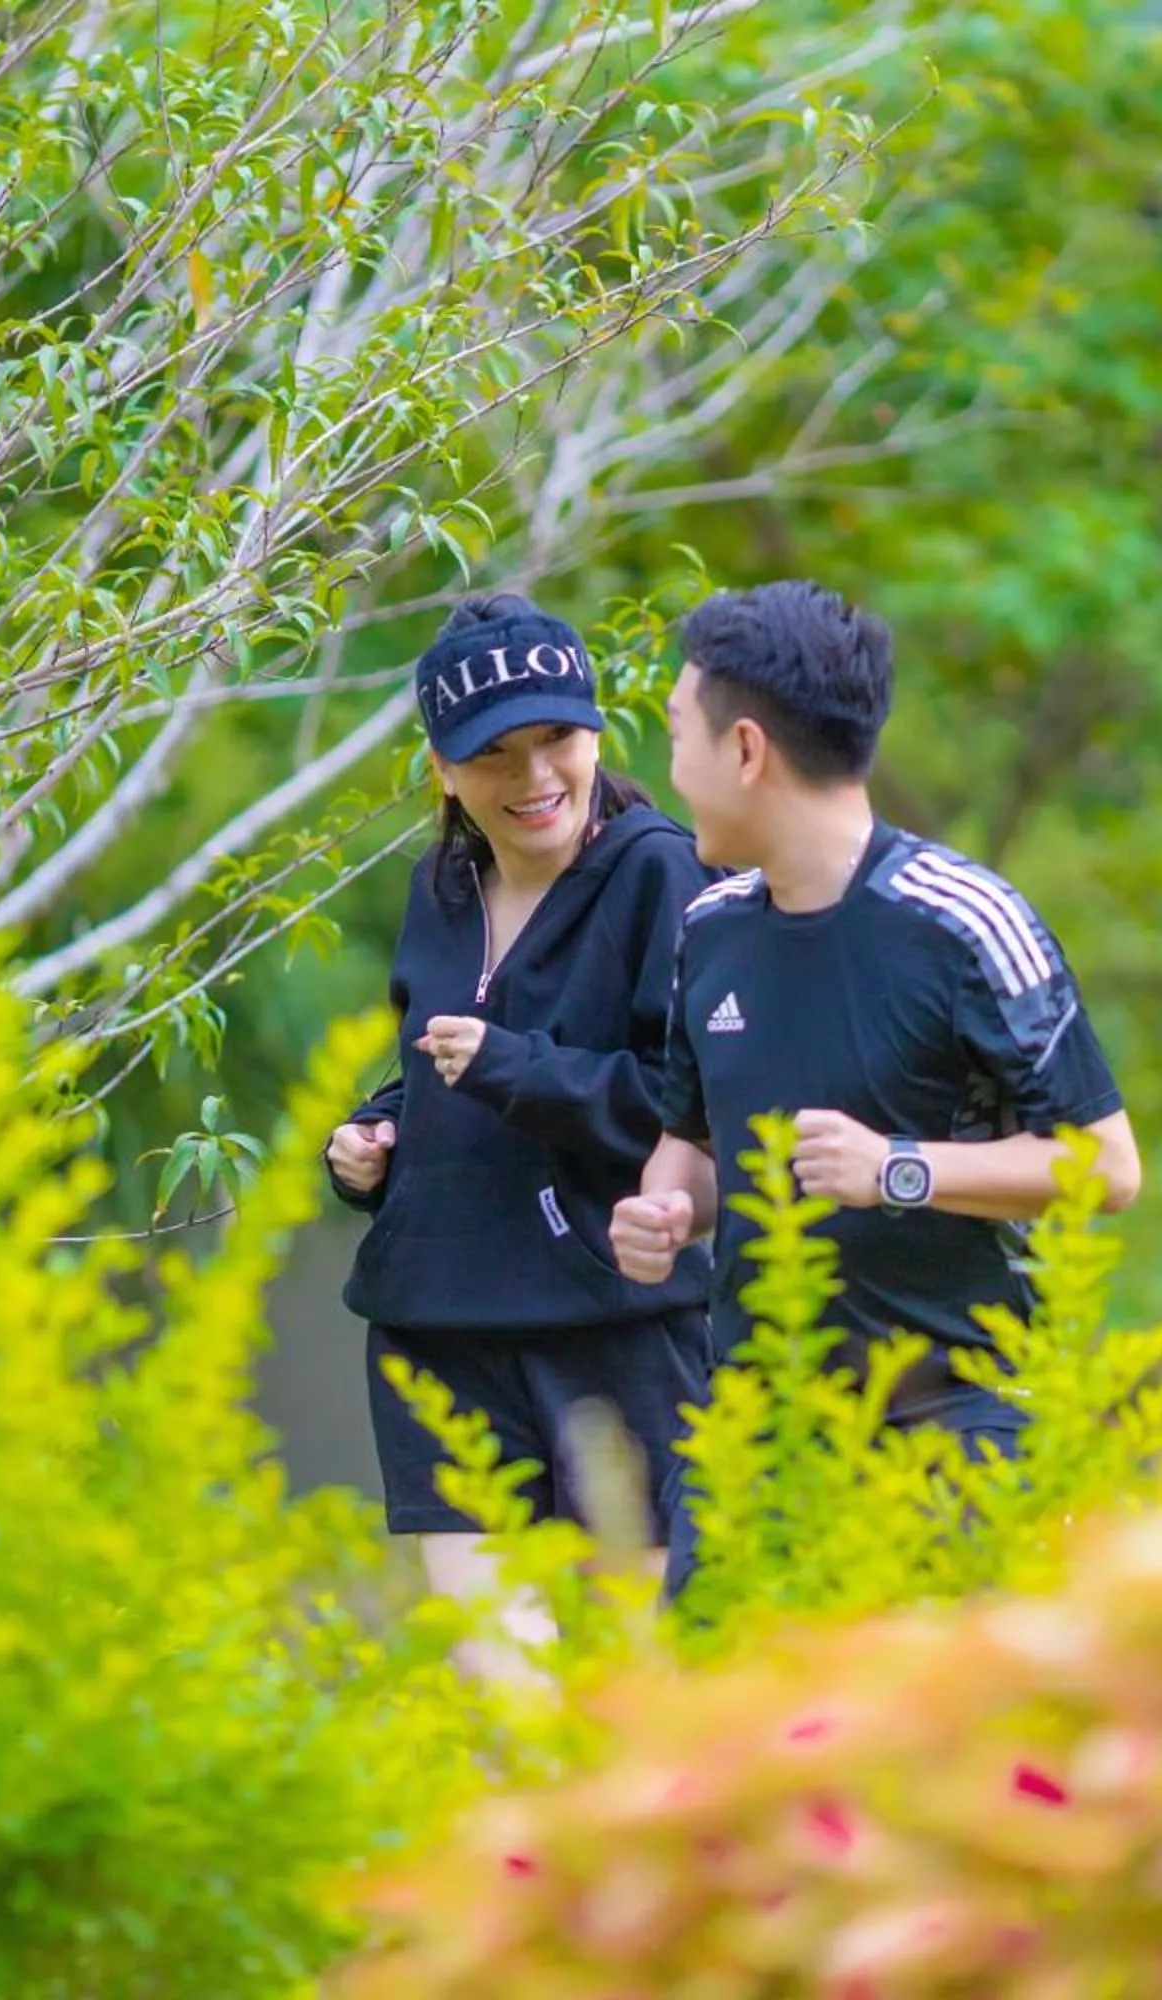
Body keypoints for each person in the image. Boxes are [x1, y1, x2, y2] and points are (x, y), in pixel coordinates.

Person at [609, 578, 1142, 1541]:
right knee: (717, 1697)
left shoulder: (963, 919)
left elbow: (1107, 1167)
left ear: (744, 750)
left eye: (678, 731)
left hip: (957, 1431)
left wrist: (897, 1169)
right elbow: (691, 1146)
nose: (669, 765)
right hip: (755, 1438)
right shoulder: (707, 929)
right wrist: (667, 1210)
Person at [326, 591, 715, 1666]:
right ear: (443, 769)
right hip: (437, 1322)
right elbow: (434, 1066)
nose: (535, 775)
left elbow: (691, 1104)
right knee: (499, 1684)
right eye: (496, 753)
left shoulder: (660, 873)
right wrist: (371, 1140)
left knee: (637, 1679)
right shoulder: (440, 885)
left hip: (611, 1322)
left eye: (556, 737)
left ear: (595, 730)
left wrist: (517, 1069)